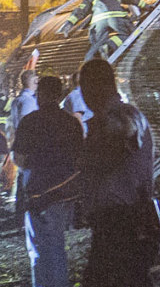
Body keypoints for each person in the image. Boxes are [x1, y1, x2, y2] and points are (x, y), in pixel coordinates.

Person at [78, 59, 155, 287]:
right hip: (113, 220)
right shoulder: (114, 117)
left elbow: (122, 136)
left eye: (84, 86)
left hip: (123, 221)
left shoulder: (124, 115)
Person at [12, 76, 83, 287]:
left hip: (40, 193)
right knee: (57, 244)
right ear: (60, 94)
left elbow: (20, 158)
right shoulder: (70, 122)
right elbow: (80, 157)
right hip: (66, 192)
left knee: (41, 250)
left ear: (40, 94)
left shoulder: (31, 121)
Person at [58, 0, 148, 61]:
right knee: (129, 35)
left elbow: (81, 9)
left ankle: (90, 64)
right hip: (116, 17)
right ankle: (109, 46)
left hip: (98, 22)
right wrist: (147, 7)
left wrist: (69, 23)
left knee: (96, 45)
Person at [8, 70, 39, 220]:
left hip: (19, 145)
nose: (38, 81)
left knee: (22, 177)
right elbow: (28, 125)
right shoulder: (28, 101)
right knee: (28, 178)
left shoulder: (17, 100)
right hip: (28, 146)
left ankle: (20, 210)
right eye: (35, 78)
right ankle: (25, 211)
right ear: (30, 81)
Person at [63, 71, 93, 137]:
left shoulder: (75, 94)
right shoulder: (77, 94)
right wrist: (83, 136)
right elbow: (78, 116)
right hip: (85, 133)